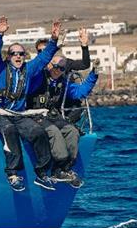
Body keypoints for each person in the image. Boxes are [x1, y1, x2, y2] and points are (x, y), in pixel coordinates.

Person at [0, 17, 60, 191]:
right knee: (9, 130)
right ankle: (12, 173)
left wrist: (54, 40)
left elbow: (44, 58)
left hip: (18, 116)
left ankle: (42, 173)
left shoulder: (29, 69)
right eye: (14, 53)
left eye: (21, 54)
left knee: (38, 132)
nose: (18, 56)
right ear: (8, 56)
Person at [31, 55, 99, 188]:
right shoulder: (38, 78)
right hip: (33, 115)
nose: (57, 70)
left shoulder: (63, 83)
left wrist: (93, 74)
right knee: (54, 132)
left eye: (61, 68)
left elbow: (80, 92)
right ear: (49, 65)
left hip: (50, 116)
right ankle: (58, 164)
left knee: (72, 131)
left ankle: (63, 169)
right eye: (55, 66)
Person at [29, 27, 90, 122]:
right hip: (42, 101)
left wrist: (84, 45)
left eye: (46, 50)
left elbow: (85, 64)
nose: (43, 54)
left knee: (77, 106)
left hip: (62, 98)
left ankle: (67, 126)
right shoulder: (36, 67)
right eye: (40, 52)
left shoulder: (64, 62)